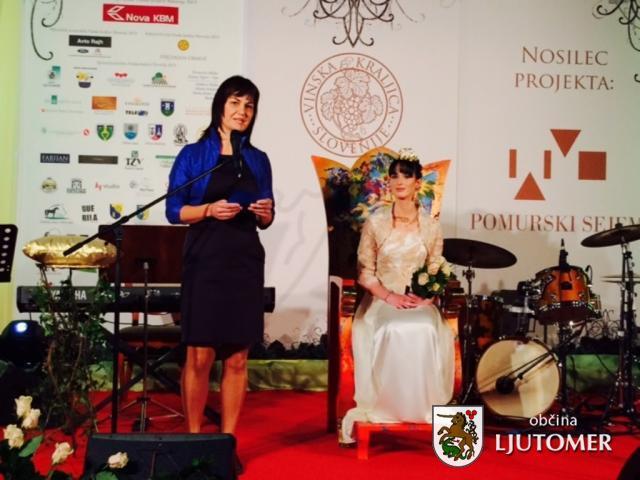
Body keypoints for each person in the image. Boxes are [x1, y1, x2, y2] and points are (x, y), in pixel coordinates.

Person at [165, 76, 274, 439]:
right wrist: (209, 209)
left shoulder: (258, 159)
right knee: (199, 355)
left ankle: (226, 441)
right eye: (235, 103)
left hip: (244, 259)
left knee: (238, 357)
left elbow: (267, 216)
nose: (242, 111)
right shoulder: (193, 155)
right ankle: (194, 440)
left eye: (249, 106)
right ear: (220, 107)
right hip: (205, 257)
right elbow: (174, 210)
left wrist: (265, 212)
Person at [340, 155, 455, 444]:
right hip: (381, 300)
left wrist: (427, 297)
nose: (400, 181)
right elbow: (365, 273)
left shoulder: (430, 225)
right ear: (388, 182)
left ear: (418, 183)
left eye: (406, 176)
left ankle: (424, 409)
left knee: (425, 327)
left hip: (418, 302)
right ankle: (387, 408)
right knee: (393, 328)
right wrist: (389, 296)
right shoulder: (376, 222)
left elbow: (436, 267)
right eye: (394, 176)